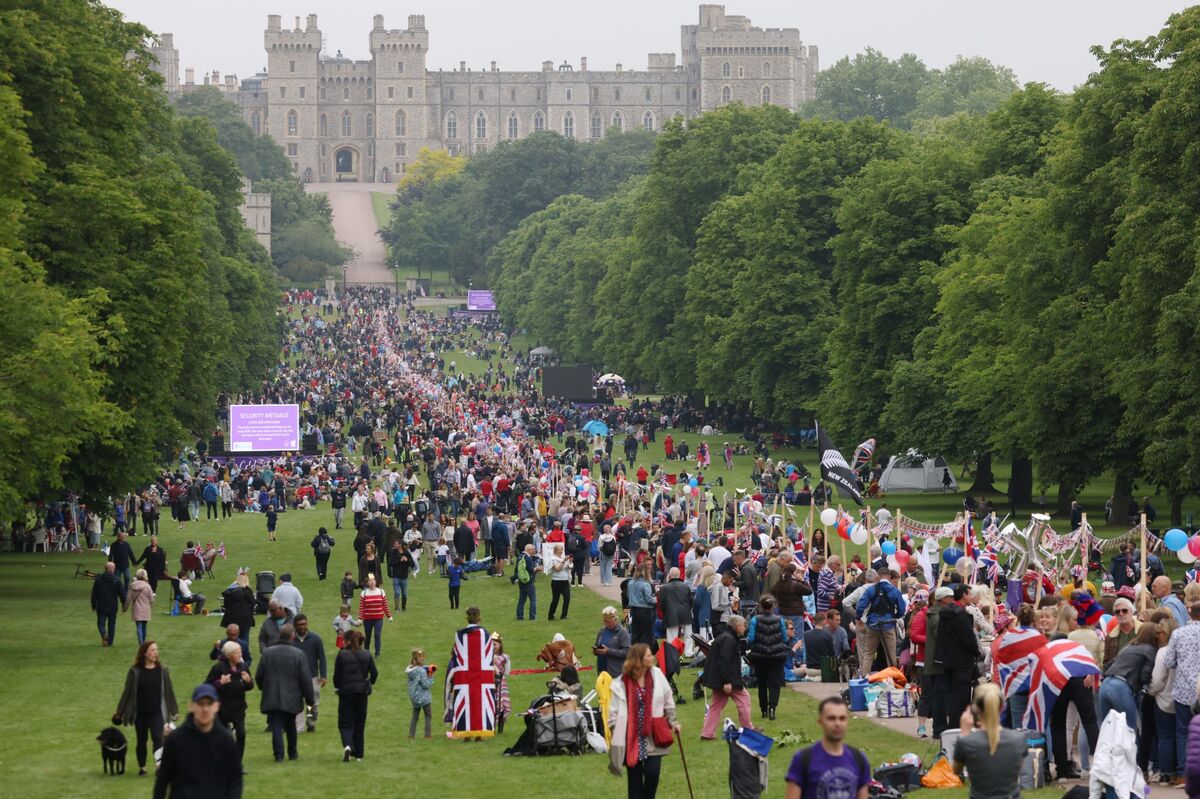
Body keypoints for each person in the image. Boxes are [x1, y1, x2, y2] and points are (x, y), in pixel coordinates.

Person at [607, 643, 681, 799]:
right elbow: (613, 711)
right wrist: (615, 730)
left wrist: (673, 722)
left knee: (652, 773)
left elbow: (668, 699)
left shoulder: (657, 674)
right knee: (634, 781)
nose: (652, 657)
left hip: (654, 732)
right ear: (638, 659)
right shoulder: (621, 683)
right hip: (630, 736)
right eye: (648, 655)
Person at [152, 684, 242, 799]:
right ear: (192, 706)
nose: (205, 709)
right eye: (200, 704)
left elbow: (235, 779)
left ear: (217, 706)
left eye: (209, 704)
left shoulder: (226, 740)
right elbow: (162, 781)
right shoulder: (175, 740)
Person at [784, 696, 871, 799]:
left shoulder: (859, 759)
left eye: (842, 718)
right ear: (820, 722)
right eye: (831, 718)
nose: (837, 723)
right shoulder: (803, 759)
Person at [951, 683, 1027, 799]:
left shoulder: (967, 743)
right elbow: (1018, 768)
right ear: (1002, 707)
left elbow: (956, 771)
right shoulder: (1018, 740)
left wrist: (964, 734)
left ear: (975, 708)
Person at [115, 640, 179, 777]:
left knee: (158, 737)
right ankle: (142, 767)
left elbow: (169, 691)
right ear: (144, 653)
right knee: (141, 740)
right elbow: (127, 692)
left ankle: (159, 765)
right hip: (140, 713)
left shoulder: (162, 670)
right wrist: (119, 712)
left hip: (157, 711)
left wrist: (174, 710)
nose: (155, 653)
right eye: (152, 650)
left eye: (156, 650)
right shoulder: (135, 671)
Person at [255, 623, 314, 762]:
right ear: (292, 636)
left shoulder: (268, 653)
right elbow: (305, 679)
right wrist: (309, 699)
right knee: (291, 724)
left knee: (276, 725)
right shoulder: (298, 654)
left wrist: (265, 687)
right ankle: (292, 753)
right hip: (292, 695)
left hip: (272, 694)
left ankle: (279, 755)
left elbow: (259, 676)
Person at [935, 584, 980, 734]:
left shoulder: (945, 614)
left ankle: (955, 725)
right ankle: (956, 727)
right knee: (960, 697)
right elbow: (968, 639)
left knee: (953, 694)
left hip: (948, 659)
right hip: (962, 661)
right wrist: (976, 651)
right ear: (963, 595)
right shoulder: (961, 616)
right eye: (970, 594)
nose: (972, 597)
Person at [700, 615, 753, 739]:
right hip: (726, 680)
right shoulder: (728, 639)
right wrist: (727, 682)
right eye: (744, 626)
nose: (745, 629)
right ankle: (747, 729)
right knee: (744, 699)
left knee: (716, 706)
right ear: (738, 626)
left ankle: (707, 733)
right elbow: (724, 661)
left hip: (718, 678)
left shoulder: (725, 637)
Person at [333, 629, 378, 761]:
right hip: (361, 692)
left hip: (346, 692)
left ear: (347, 640)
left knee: (345, 722)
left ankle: (348, 745)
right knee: (360, 723)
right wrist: (368, 683)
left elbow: (337, 676)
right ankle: (359, 755)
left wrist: (338, 686)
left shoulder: (342, 655)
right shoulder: (366, 654)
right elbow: (374, 674)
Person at [206, 639, 254, 757]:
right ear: (229, 655)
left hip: (239, 708)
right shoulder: (218, 668)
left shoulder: (243, 667)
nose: (240, 655)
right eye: (237, 653)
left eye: (240, 652)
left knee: (241, 734)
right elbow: (206, 687)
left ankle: (237, 763)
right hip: (222, 708)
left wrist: (248, 681)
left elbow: (250, 686)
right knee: (223, 737)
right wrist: (220, 682)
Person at [854, 567, 906, 675]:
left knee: (868, 653)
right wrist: (896, 616)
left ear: (878, 576)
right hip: (888, 624)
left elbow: (860, 606)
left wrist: (858, 617)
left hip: (872, 624)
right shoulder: (895, 590)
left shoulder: (871, 589)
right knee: (890, 655)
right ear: (889, 576)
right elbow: (902, 609)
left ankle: (864, 678)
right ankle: (893, 680)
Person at [747, 594, 789, 720]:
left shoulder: (755, 619)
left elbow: (751, 638)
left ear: (761, 606)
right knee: (774, 683)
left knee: (762, 683)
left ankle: (763, 709)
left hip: (760, 656)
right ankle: (773, 707)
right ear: (773, 606)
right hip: (776, 656)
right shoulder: (780, 620)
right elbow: (785, 638)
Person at [292, 615, 328, 733]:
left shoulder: (315, 639)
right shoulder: (291, 641)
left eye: (304, 624)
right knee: (298, 702)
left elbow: (322, 658)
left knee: (312, 703)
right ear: (295, 626)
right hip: (296, 678)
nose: (302, 626)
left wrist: (323, 675)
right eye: (299, 625)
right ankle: (299, 727)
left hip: (313, 677)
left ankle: (310, 722)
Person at [357, 573, 393, 658]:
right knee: (368, 636)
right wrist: (359, 618)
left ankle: (377, 653)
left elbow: (385, 605)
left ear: (376, 581)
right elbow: (362, 607)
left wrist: (389, 616)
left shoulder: (381, 592)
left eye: (373, 580)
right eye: (370, 580)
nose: (372, 582)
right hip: (367, 618)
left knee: (377, 635)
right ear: (367, 583)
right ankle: (366, 651)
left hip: (378, 618)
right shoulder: (364, 593)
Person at [92, 561, 126, 646]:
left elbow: (94, 594)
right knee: (112, 624)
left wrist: (93, 605)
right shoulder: (117, 580)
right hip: (112, 606)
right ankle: (110, 642)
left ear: (105, 568)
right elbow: (122, 594)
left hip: (101, 605)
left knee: (101, 623)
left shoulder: (98, 580)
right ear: (113, 569)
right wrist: (123, 604)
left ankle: (103, 634)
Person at [594, 606, 633, 677]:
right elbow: (597, 645)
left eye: (608, 622)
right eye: (605, 621)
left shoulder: (622, 632)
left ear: (615, 619)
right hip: (602, 672)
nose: (606, 624)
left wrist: (608, 651)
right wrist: (596, 651)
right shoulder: (602, 631)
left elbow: (628, 652)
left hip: (615, 672)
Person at [406, 647, 434, 739]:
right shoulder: (421, 671)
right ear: (415, 659)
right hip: (424, 697)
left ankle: (411, 735)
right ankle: (427, 735)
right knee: (428, 715)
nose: (422, 658)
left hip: (414, 698)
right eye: (420, 657)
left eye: (422, 656)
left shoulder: (410, 670)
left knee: (415, 716)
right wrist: (430, 676)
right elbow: (426, 685)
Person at [628, 561, 657, 646]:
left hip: (633, 609)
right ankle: (644, 652)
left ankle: (634, 651)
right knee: (646, 633)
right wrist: (655, 600)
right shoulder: (646, 584)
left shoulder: (630, 583)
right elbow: (649, 600)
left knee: (635, 632)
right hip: (644, 610)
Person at [221, 571, 256, 638]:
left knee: (232, 638)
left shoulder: (229, 592)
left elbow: (225, 605)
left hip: (231, 617)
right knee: (244, 638)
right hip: (245, 617)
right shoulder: (247, 592)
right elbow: (253, 603)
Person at [127, 568, 155, 645]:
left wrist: (125, 607)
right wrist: (150, 606)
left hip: (136, 608)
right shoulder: (147, 586)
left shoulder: (132, 585)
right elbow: (151, 598)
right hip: (146, 608)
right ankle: (143, 641)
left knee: (139, 626)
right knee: (144, 626)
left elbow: (128, 598)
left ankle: (141, 643)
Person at [388, 539, 415, 612]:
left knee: (404, 594)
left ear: (400, 545)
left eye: (396, 544)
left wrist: (406, 560)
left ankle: (403, 608)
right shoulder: (393, 553)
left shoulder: (406, 553)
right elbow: (390, 563)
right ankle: (397, 608)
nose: (394, 545)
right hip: (396, 576)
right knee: (397, 593)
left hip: (404, 577)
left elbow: (412, 564)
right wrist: (399, 561)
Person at [514, 543, 540, 621]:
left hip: (521, 581)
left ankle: (519, 616)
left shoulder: (520, 557)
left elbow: (516, 570)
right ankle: (532, 616)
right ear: (529, 550)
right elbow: (531, 570)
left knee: (522, 599)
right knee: (533, 599)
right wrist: (537, 568)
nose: (534, 551)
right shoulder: (528, 558)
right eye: (533, 550)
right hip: (529, 581)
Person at [547, 543, 572, 620]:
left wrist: (570, 562)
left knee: (567, 598)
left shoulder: (562, 558)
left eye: (562, 550)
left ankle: (564, 615)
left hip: (565, 581)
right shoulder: (553, 559)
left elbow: (569, 567)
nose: (561, 551)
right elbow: (557, 569)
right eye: (559, 550)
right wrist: (564, 561)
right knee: (555, 599)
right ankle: (551, 615)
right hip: (556, 581)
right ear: (555, 551)